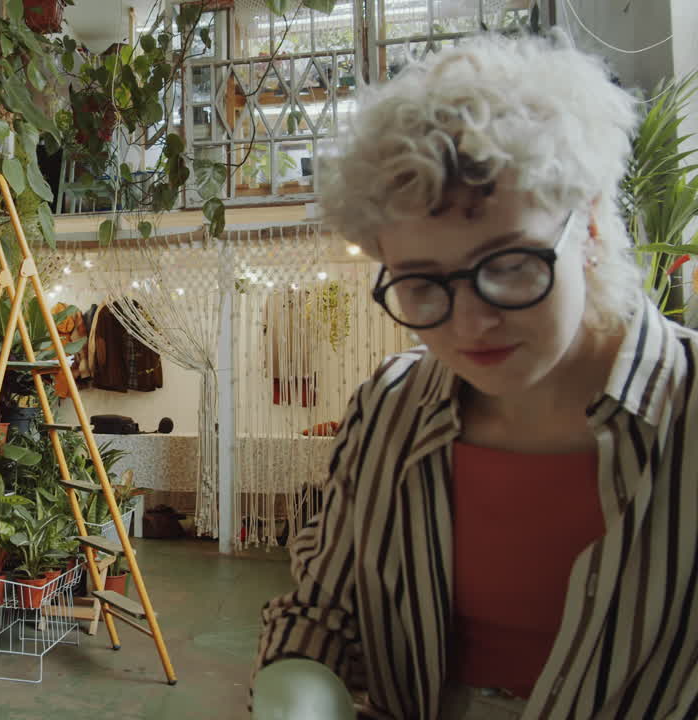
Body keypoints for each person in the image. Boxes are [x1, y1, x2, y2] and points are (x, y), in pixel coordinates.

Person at [254, 31, 698, 720]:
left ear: (588, 227)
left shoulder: (687, 415)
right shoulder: (391, 410)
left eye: (511, 266)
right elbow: (323, 614)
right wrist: (300, 691)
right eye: (422, 285)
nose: (467, 326)